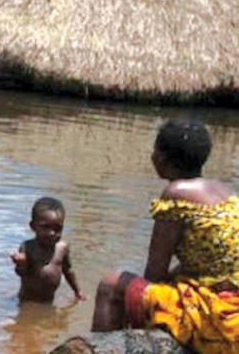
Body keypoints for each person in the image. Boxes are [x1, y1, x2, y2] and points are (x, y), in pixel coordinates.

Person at [91, 116, 239, 353]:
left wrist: (141, 300)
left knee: (110, 285)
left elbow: (155, 273)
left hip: (219, 315)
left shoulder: (176, 193)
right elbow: (208, 263)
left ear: (160, 158)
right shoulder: (225, 191)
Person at [10, 196, 86, 303]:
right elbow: (21, 273)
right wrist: (21, 263)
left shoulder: (62, 248)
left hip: (49, 301)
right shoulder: (28, 247)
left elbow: (68, 270)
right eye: (45, 227)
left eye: (58, 228)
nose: (52, 233)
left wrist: (77, 291)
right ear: (33, 226)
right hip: (27, 300)